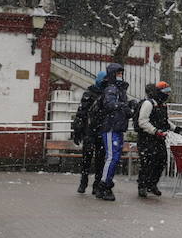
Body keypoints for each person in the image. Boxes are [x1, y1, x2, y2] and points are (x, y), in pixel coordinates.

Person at [95, 63, 132, 202]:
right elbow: (109, 104)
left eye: (121, 73)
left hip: (116, 127)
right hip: (111, 127)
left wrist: (128, 107)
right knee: (112, 158)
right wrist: (124, 106)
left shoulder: (118, 89)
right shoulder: (112, 88)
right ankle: (104, 184)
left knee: (114, 158)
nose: (120, 76)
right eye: (118, 73)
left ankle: (104, 183)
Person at [71, 70, 107, 195]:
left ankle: (96, 184)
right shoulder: (89, 93)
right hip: (90, 131)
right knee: (87, 158)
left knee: (100, 159)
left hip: (102, 131)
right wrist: (77, 130)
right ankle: (83, 182)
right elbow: (81, 113)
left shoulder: (108, 93)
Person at [135, 80, 172, 198]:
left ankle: (152, 184)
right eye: (165, 92)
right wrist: (155, 131)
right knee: (147, 162)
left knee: (161, 160)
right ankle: (142, 186)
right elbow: (142, 122)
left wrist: (178, 129)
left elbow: (165, 122)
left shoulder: (162, 105)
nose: (167, 95)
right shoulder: (149, 104)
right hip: (146, 138)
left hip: (158, 138)